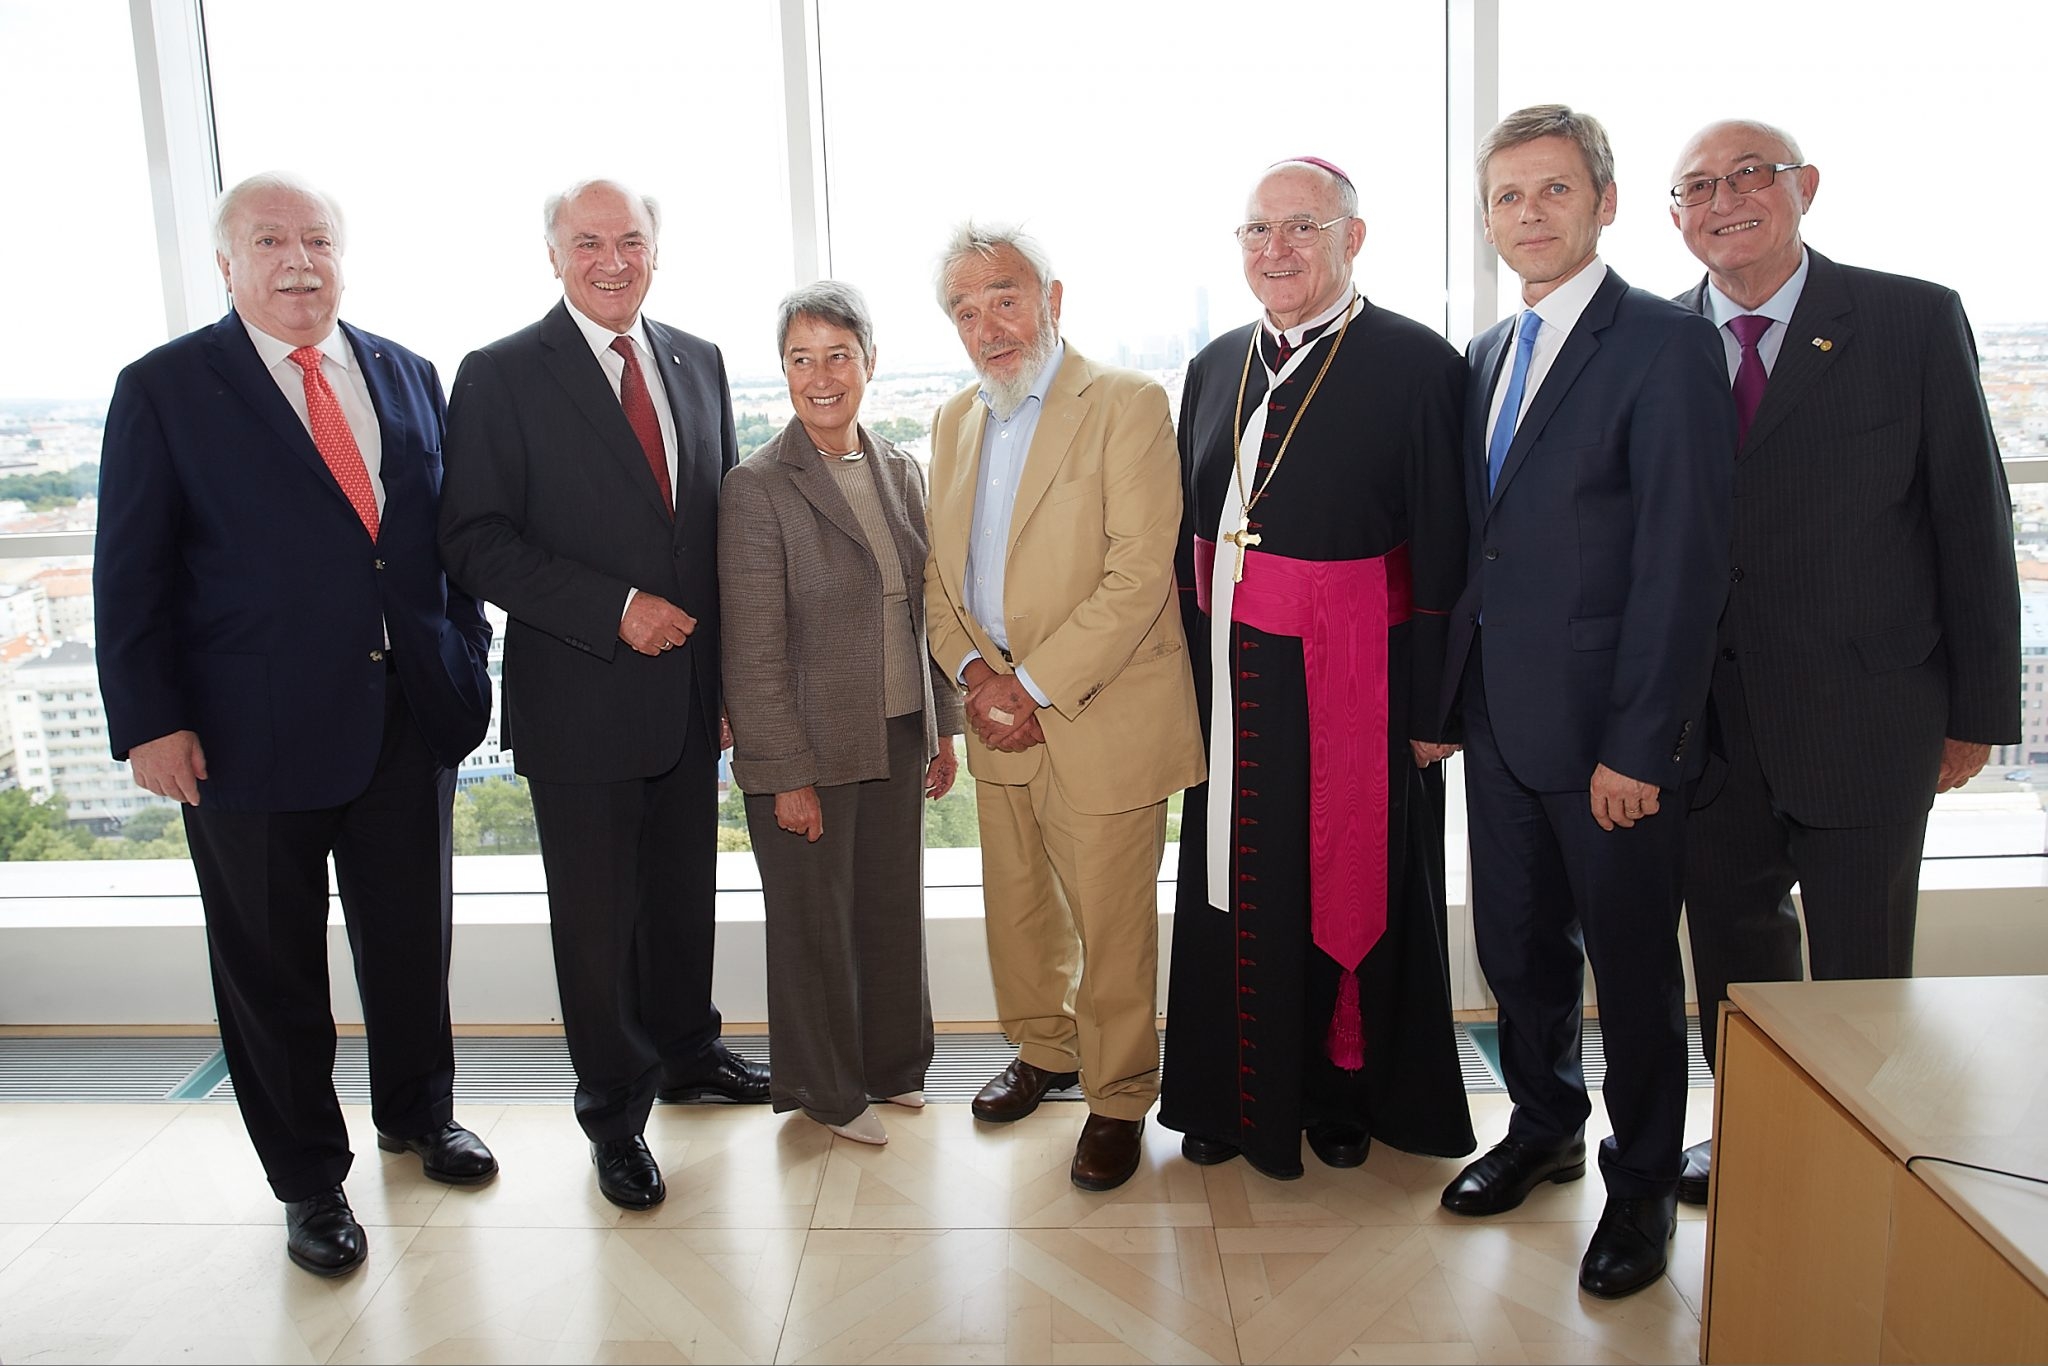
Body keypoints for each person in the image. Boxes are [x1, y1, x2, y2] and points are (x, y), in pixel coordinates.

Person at [94, 172, 498, 1277]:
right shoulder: (165, 389)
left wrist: (463, 656)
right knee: (271, 972)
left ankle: (420, 1116)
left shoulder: (406, 372)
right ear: (227, 264)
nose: (298, 260)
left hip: (407, 718)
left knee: (410, 943)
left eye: (316, 238)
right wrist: (151, 721)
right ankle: (309, 1180)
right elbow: (129, 572)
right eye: (270, 241)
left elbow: (443, 543)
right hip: (245, 736)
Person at [1666, 119, 2020, 1205]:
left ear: (1804, 187)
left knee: (1863, 962)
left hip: (1867, 712)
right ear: (1673, 216)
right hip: (1708, 724)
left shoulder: (1909, 319)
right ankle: (1753, 1135)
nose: (1724, 200)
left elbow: (1972, 520)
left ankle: (1865, 1155)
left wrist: (1977, 713)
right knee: (1733, 958)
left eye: (1749, 175)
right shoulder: (1657, 341)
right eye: (1697, 187)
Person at [1437, 106, 1735, 1299]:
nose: (1529, 214)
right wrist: (1444, 708)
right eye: (1507, 196)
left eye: (1553, 189)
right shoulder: (1483, 356)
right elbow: (1481, 553)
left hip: (1611, 739)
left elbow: (1681, 563)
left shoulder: (1664, 346)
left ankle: (1643, 1182)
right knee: (1514, 949)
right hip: (1499, 726)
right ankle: (1543, 1126)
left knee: (1631, 969)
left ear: (1603, 203)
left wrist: (1640, 745)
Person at [438, 178, 768, 1213]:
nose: (612, 261)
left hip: (689, 697)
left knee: (682, 898)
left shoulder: (699, 360)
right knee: (595, 926)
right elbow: (471, 540)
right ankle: (615, 1118)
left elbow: (713, 534)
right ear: (553, 255)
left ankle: (687, 1052)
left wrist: (726, 684)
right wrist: (613, 607)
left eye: (630, 240)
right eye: (588, 242)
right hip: (580, 696)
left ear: (656, 250)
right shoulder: (497, 374)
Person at [1158, 157, 1476, 1181]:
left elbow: (1447, 547)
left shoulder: (1418, 364)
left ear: (1352, 238)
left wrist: (1433, 709)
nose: (1277, 249)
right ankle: (1224, 1093)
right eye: (1258, 231)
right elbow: (1187, 539)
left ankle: (1344, 1092)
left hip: (1358, 688)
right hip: (1231, 682)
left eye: (1302, 227)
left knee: (1345, 882)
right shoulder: (1214, 364)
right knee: (1227, 884)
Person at [923, 223, 1205, 1192]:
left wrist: (1032, 685)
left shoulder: (1126, 403)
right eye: (964, 310)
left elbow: (1139, 573)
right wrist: (974, 675)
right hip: (995, 713)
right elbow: (938, 580)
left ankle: (1118, 1095)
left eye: (1003, 298)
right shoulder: (953, 420)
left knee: (1112, 925)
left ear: (1051, 298)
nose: (987, 326)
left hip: (1098, 710)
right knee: (1019, 908)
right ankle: (1045, 1048)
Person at [717, 281, 962, 1146]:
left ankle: (893, 1067)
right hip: (808, 748)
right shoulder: (756, 488)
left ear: (869, 362)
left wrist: (943, 728)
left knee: (890, 911)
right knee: (815, 927)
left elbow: (925, 612)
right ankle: (828, 1091)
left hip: (895, 732)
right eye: (801, 359)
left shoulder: (899, 469)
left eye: (838, 356)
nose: (821, 377)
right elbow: (751, 649)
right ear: (783, 371)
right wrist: (784, 776)